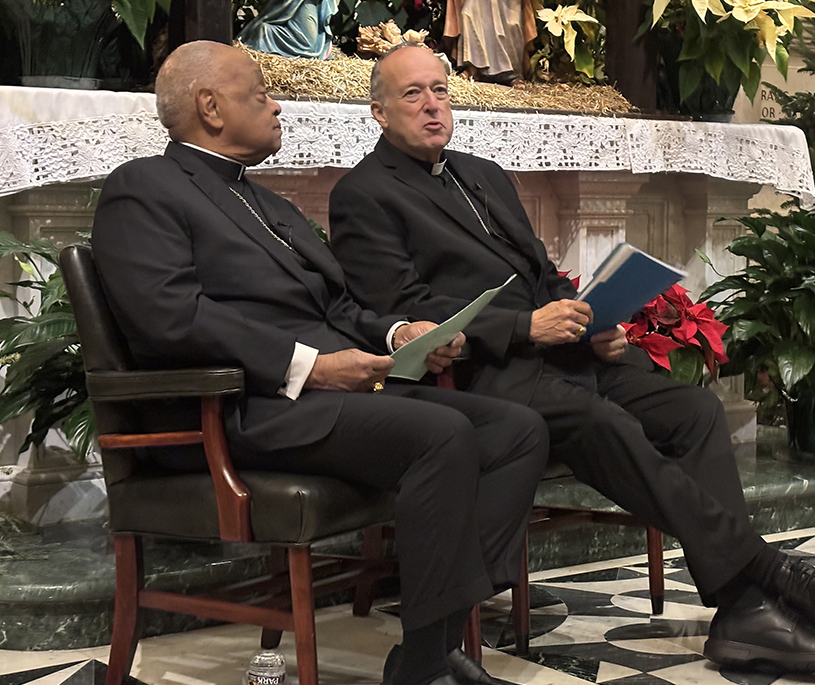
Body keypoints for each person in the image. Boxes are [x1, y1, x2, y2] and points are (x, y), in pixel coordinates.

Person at [328, 42, 815, 674]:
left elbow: (541, 272)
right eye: (412, 94)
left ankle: (743, 611)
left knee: (692, 409)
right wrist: (525, 326)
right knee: (604, 424)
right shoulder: (364, 195)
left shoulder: (480, 172)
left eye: (440, 90)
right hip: (485, 379)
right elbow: (409, 312)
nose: (432, 106)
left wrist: (587, 321)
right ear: (377, 112)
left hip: (565, 359)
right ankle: (762, 580)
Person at [91, 40, 549, 685]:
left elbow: (339, 305)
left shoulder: (268, 203)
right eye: (261, 95)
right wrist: (310, 366)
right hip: (238, 408)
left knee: (515, 430)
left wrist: (399, 334)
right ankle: (427, 665)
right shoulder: (144, 188)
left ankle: (434, 644)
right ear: (211, 108)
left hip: (326, 396)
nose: (278, 107)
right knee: (443, 435)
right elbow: (171, 317)